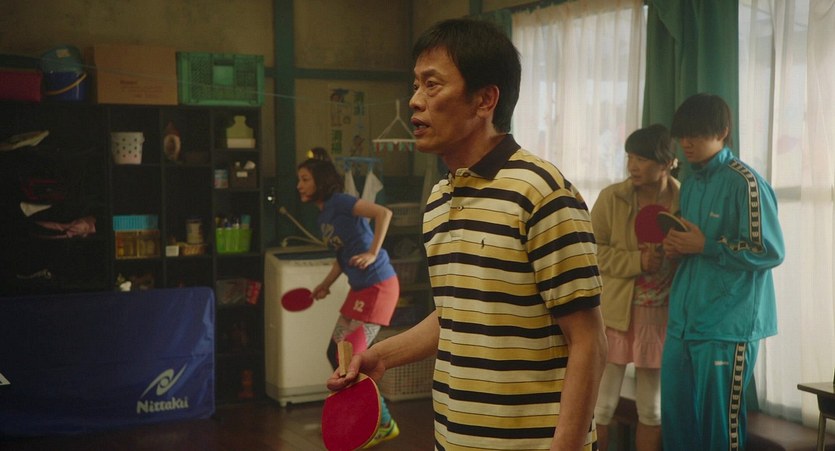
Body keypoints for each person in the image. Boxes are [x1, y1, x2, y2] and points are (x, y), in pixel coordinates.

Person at [327, 18, 607, 450]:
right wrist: (381, 355)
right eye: (415, 85)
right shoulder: (441, 198)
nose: (415, 101)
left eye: (432, 85)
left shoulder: (541, 192)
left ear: (484, 99)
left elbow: (589, 340)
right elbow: (457, 314)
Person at [660, 93, 785, 451]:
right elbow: (693, 244)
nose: (687, 143)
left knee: (720, 433)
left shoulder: (745, 182)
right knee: (677, 429)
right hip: (683, 324)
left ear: (723, 132)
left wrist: (707, 246)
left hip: (727, 327)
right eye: (682, 136)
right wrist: (677, 247)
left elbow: (770, 250)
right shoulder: (691, 182)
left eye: (696, 135)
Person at [296, 149, 401, 448]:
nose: (299, 185)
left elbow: (383, 213)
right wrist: (324, 285)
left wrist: (373, 253)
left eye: (305, 179)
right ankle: (372, 421)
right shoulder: (323, 215)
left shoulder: (341, 202)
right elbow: (342, 257)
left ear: (320, 181)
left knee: (352, 360)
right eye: (299, 180)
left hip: (379, 287)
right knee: (336, 353)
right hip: (359, 291)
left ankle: (382, 423)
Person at [590, 124, 679, 451]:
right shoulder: (611, 197)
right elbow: (592, 251)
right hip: (617, 311)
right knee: (601, 406)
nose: (632, 166)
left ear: (666, 163)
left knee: (651, 410)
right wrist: (637, 261)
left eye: (642, 159)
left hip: (662, 315)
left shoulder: (684, 199)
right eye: (629, 157)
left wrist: (677, 254)